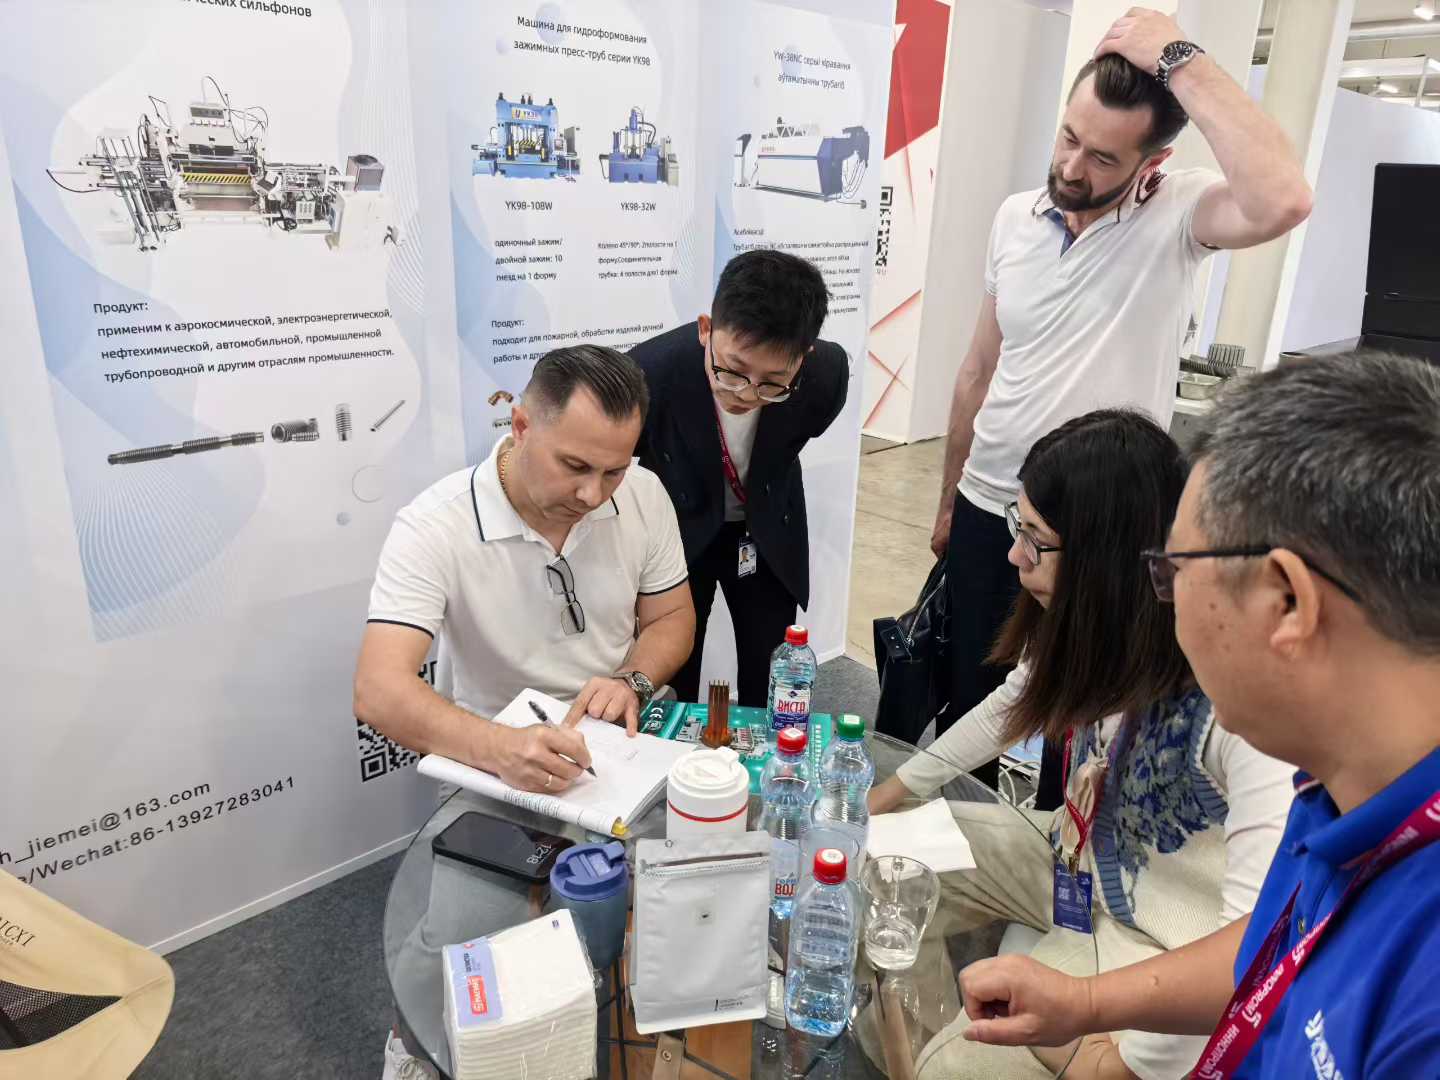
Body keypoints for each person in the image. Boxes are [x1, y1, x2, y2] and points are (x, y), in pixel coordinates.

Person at [956, 351, 1440, 1078]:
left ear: (1286, 602)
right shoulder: (1330, 801)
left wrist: (1110, 1050)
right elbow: (1259, 959)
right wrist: (1086, 1006)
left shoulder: (1419, 995)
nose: (1164, 603)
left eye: (1173, 571)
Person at [929, 8, 1313, 795]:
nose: (1072, 167)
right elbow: (978, 369)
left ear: (1152, 162)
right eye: (1068, 138)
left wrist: (1177, 56)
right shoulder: (1014, 218)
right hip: (990, 506)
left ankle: (1051, 850)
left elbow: (1283, 198)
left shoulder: (1179, 215)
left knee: (1075, 722)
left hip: (1096, 532)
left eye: (1103, 157)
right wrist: (948, 499)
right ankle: (960, 836)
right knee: (973, 688)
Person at [864, 410, 1293, 1080]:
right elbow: (1013, 702)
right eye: (1019, 527)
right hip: (1075, 862)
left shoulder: (1242, 707)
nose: (1015, 556)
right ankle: (908, 1052)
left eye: (1035, 540)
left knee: (957, 1067)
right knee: (880, 857)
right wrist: (891, 793)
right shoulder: (1098, 626)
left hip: (1154, 943)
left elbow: (1254, 948)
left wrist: (1119, 1062)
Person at [354, 345, 695, 797]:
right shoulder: (434, 525)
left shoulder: (643, 493)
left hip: (618, 743)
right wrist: (502, 748)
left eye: (614, 471)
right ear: (521, 427)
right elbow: (379, 689)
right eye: (575, 466)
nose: (592, 495)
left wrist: (632, 679)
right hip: (490, 756)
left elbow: (671, 617)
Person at [629, 249, 847, 705]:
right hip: (679, 533)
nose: (747, 393)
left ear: (803, 357)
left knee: (771, 669)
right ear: (706, 329)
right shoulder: (648, 374)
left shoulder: (826, 377)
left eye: (772, 382)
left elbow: (797, 438)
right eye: (732, 370)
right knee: (675, 670)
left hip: (765, 531)